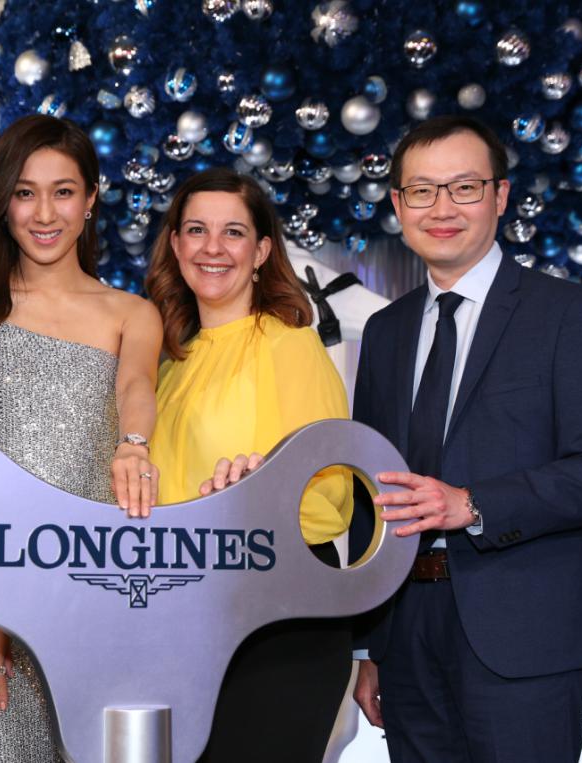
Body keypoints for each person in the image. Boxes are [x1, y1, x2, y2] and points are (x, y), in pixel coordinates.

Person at [351, 115, 582, 762]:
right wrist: (369, 646)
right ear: (397, 204)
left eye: (464, 187)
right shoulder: (386, 331)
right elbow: (372, 489)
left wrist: (472, 503)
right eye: (421, 190)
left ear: (500, 196)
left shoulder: (567, 313)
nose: (441, 208)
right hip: (405, 633)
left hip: (524, 627)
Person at [0, 114, 162, 762]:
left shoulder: (132, 312)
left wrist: (133, 443)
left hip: (101, 593)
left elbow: (137, 385)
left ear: (90, 200)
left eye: (63, 191)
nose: (44, 213)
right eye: (25, 192)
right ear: (4, 203)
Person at [144, 167, 354, 762]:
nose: (212, 248)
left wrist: (250, 503)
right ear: (175, 244)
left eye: (232, 232)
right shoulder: (169, 364)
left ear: (261, 251)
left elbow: (331, 499)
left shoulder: (290, 343)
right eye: (197, 230)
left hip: (278, 628)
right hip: (181, 627)